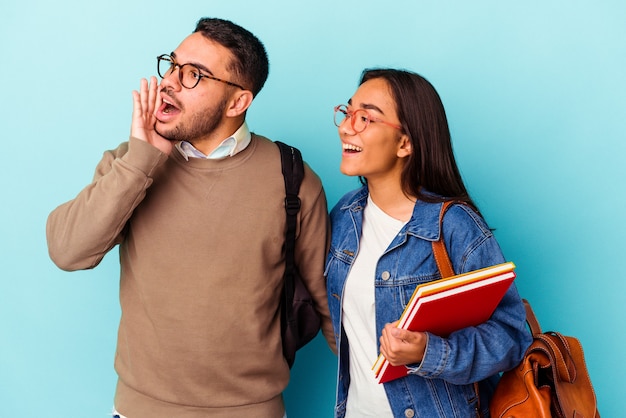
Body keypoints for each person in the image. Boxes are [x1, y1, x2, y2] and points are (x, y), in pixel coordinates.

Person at [46, 17, 334, 418]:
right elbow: (67, 251)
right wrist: (141, 160)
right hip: (138, 410)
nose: (169, 82)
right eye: (172, 65)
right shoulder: (131, 165)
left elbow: (330, 304)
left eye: (194, 75)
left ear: (237, 102)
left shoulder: (293, 178)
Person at [325, 68, 533, 418]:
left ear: (405, 143)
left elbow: (512, 337)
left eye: (366, 118)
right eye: (347, 113)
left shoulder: (453, 225)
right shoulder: (344, 215)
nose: (347, 126)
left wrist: (428, 353)